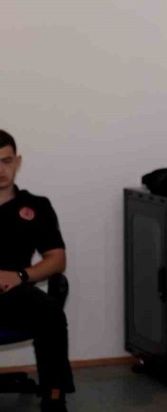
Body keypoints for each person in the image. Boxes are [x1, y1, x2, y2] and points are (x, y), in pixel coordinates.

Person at [0, 129, 74, 412]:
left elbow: (57, 259)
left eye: (6, 161)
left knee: (49, 312)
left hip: (14, 291)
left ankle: (54, 396)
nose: (0, 170)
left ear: (17, 162)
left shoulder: (36, 206)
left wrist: (19, 276)